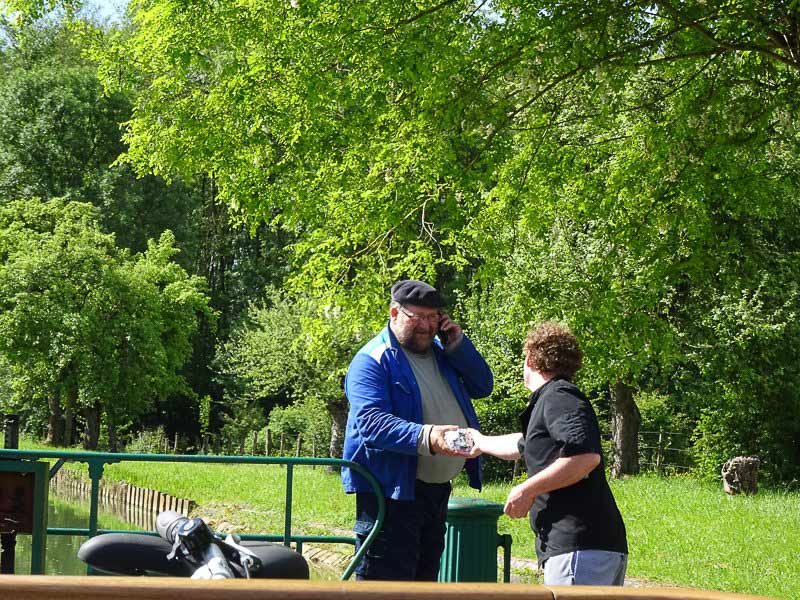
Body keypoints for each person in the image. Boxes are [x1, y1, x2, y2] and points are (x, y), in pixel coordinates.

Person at [341, 279, 493, 581]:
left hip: (435, 495)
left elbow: (483, 385)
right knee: (386, 589)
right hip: (391, 496)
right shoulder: (371, 360)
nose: (427, 325)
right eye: (418, 317)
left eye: (434, 317)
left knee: (424, 588)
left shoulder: (443, 352)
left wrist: (459, 347)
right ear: (394, 313)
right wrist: (429, 436)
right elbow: (372, 424)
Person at [466, 321, 627, 586]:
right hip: (589, 548)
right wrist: (480, 442)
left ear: (529, 358)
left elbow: (585, 456)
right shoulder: (552, 399)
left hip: (579, 548)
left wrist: (526, 490)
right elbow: (526, 444)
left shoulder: (559, 396)